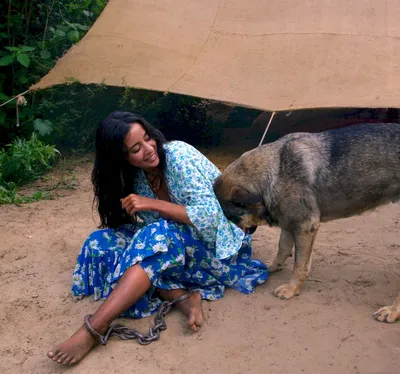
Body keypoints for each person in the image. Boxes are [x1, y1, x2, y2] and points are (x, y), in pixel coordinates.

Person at [47, 111, 268, 365]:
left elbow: (208, 217)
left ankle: (93, 329)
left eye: (148, 138)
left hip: (217, 246)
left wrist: (151, 204)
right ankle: (181, 297)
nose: (149, 149)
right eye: (135, 148)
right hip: (177, 245)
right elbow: (152, 232)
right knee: (102, 242)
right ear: (122, 157)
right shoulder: (137, 178)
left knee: (154, 239)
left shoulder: (178, 156)